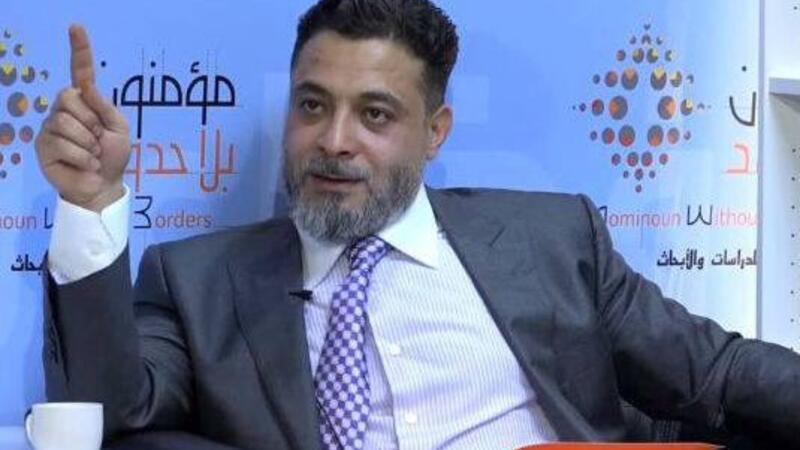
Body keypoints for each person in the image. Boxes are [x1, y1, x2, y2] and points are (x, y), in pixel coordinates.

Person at [36, 1, 800, 449]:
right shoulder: (195, 280)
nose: (335, 140)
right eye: (312, 105)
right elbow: (105, 411)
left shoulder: (553, 240)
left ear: (435, 133)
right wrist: (89, 204)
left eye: (375, 115)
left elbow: (717, 374)